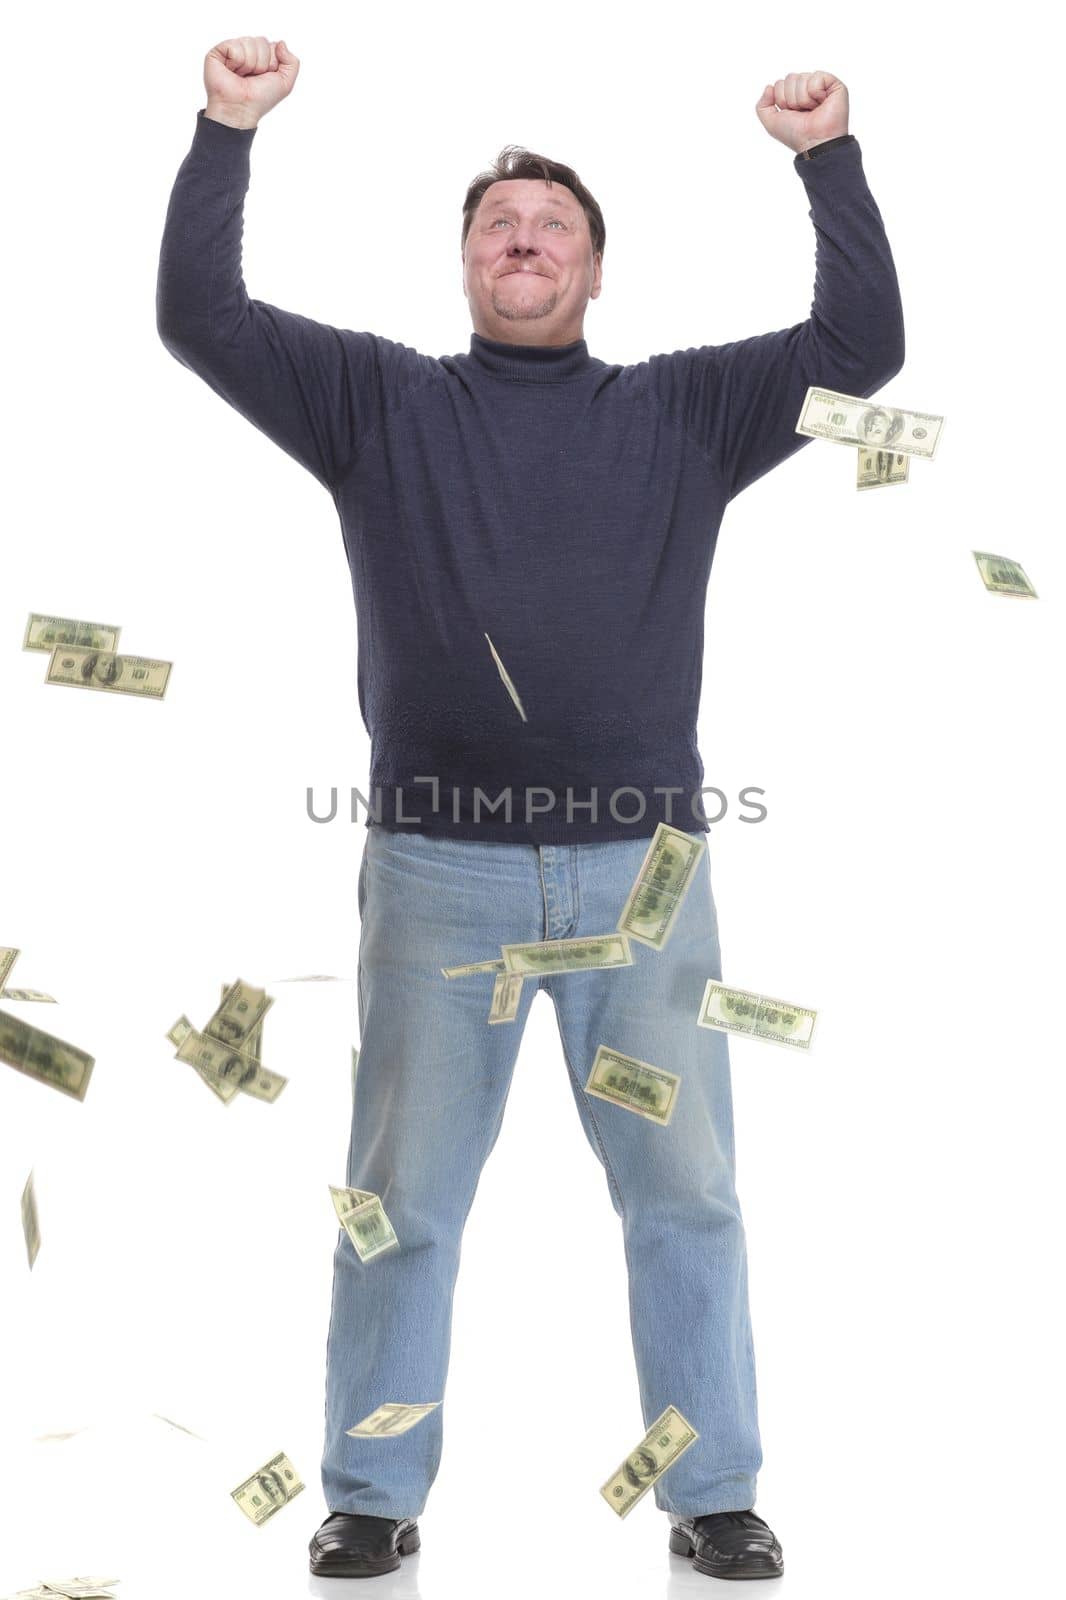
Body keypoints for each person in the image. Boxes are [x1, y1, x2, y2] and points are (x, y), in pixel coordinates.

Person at [156, 38, 905, 1582]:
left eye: (552, 223)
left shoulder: (691, 413)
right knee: (401, 1201)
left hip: (646, 881)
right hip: (439, 879)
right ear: (463, 263)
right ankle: (370, 1497)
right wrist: (227, 129)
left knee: (684, 1195)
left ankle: (713, 1500)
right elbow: (200, 317)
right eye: (498, 221)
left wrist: (822, 157)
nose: (523, 238)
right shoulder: (374, 403)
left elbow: (862, 343)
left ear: (595, 268)